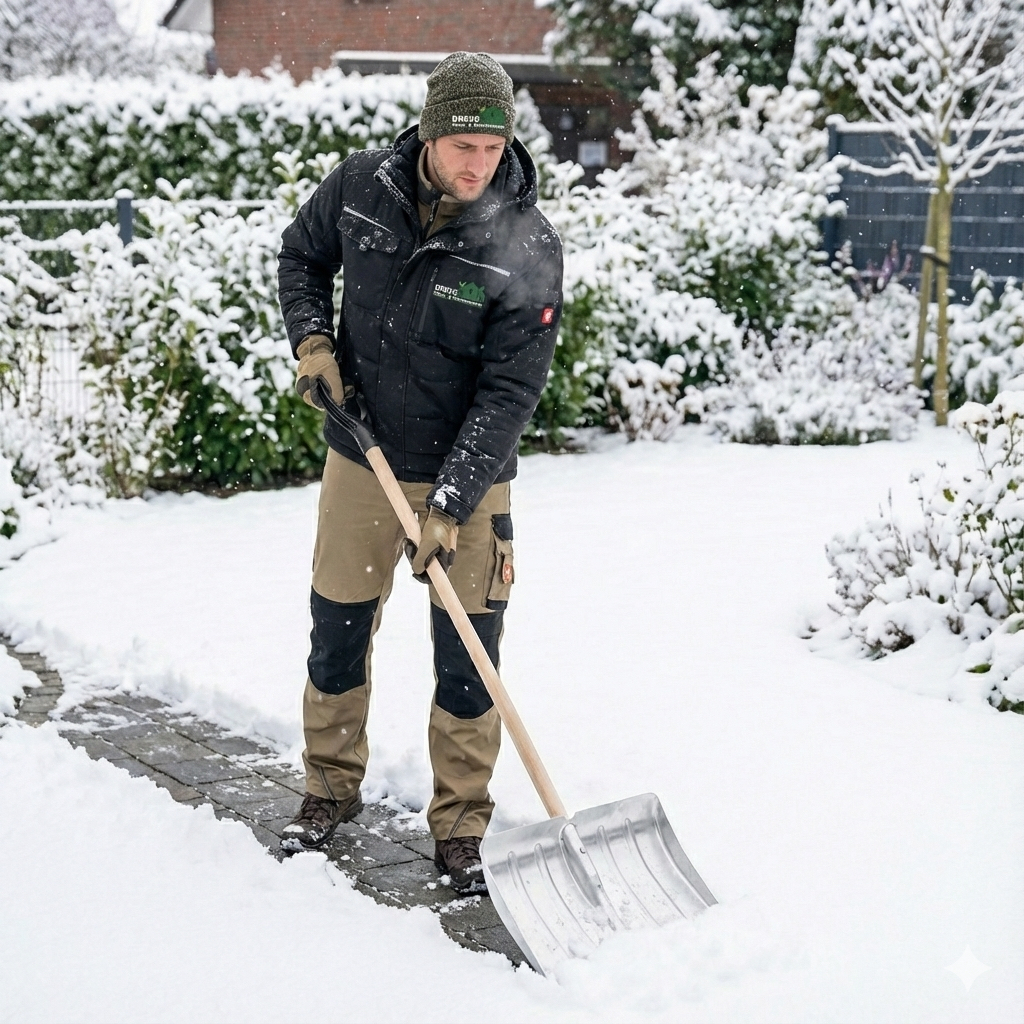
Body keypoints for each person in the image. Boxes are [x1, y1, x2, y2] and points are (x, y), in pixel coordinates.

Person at [276, 52, 562, 893]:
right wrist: (313, 341)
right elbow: (300, 255)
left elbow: (513, 389)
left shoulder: (528, 245)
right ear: (431, 133)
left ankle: (461, 829)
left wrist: (451, 499)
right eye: (462, 144)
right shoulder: (363, 188)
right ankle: (328, 791)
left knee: (468, 659)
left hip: (468, 475)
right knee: (337, 631)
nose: (478, 164)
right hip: (360, 455)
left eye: (492, 144)